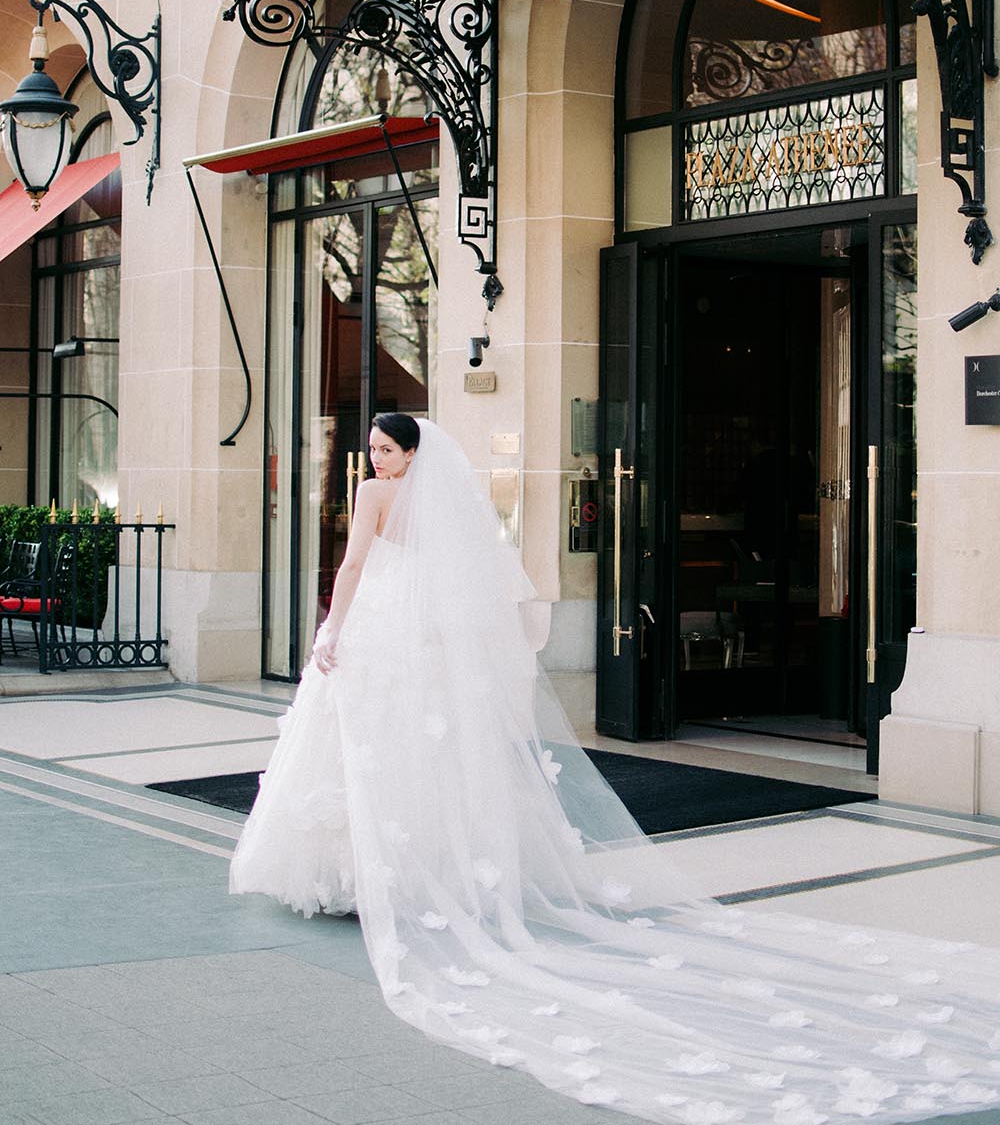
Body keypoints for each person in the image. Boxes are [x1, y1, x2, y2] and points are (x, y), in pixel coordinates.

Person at [232, 416, 1000, 1125]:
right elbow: (475, 582)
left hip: (382, 632)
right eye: (374, 449)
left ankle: (373, 870)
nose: (377, 459)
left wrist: (332, 629)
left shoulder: (375, 498)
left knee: (377, 749)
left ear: (409, 455)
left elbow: (355, 564)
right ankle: (390, 868)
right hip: (416, 638)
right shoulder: (443, 506)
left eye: (387, 450)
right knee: (402, 752)